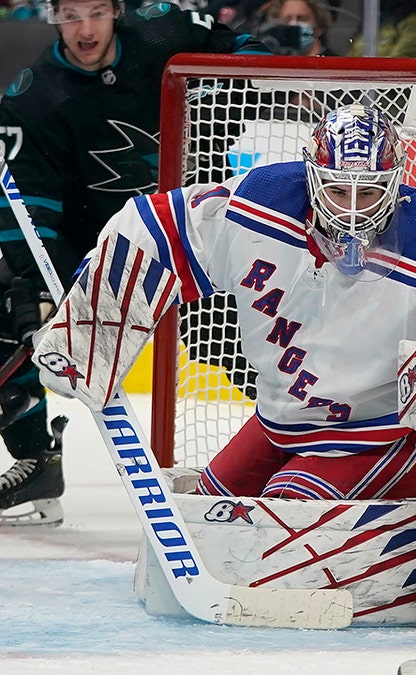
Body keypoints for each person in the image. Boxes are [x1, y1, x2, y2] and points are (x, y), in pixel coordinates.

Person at [30, 104, 416, 501]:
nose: (354, 211)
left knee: (280, 515)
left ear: (396, 184)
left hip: (380, 436)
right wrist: (87, 330)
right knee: (207, 514)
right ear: (312, 178)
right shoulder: (261, 202)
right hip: (280, 423)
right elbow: (149, 228)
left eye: (369, 192)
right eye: (338, 190)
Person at [0, 0, 270, 525]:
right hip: (103, 253)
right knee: (10, 313)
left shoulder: (163, 30)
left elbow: (243, 49)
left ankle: (312, 433)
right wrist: (39, 295)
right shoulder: (35, 99)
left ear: (117, 11)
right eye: (70, 15)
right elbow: (32, 212)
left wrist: (240, 83)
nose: (84, 29)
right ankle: (37, 459)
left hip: (196, 234)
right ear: (52, 16)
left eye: (95, 12)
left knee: (247, 340)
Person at [347, 0, 416, 59]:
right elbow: (351, 59)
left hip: (396, 86)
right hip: (361, 86)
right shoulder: (372, 25)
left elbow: (399, 63)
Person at [256, 0, 336, 56]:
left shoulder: (336, 64)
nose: (293, 24)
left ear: (320, 27)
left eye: (301, 18)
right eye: (287, 19)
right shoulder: (273, 65)